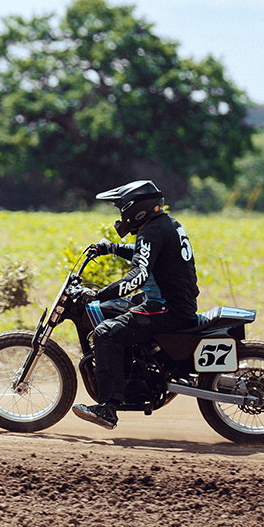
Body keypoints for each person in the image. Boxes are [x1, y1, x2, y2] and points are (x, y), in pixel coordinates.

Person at [71, 180, 199, 430]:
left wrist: (98, 294)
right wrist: (112, 248)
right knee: (115, 311)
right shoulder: (165, 224)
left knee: (105, 333)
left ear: (135, 209)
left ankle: (107, 408)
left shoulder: (152, 230)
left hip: (166, 306)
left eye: (122, 209)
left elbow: (138, 276)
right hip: (175, 302)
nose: (121, 216)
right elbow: (148, 252)